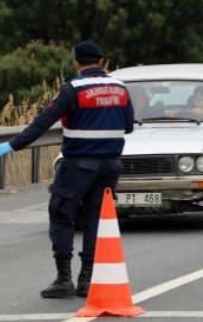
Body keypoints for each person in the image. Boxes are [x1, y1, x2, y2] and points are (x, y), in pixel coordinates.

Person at [0, 41, 134, 298]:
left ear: (76, 63)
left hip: (78, 165)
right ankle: (87, 279)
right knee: (95, 218)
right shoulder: (121, 88)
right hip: (111, 165)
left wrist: (11, 146)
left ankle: (64, 279)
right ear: (102, 62)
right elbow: (128, 126)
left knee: (62, 214)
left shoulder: (73, 89)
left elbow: (42, 124)